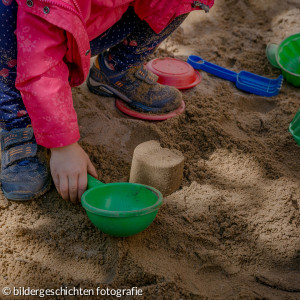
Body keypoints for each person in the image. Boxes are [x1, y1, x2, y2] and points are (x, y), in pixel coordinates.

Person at [0, 0, 214, 202]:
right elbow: (40, 63)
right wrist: (63, 145)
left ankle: (118, 68)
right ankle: (18, 118)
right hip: (28, 26)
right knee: (7, 20)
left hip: (91, 21)